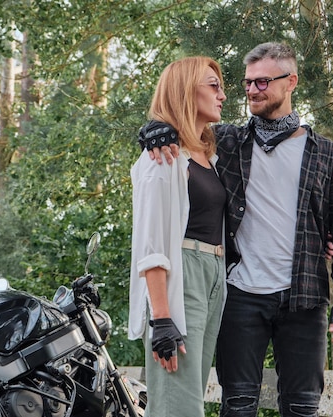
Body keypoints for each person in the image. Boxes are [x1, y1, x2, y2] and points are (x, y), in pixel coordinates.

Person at [139, 42, 333, 417]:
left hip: (304, 296)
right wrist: (154, 130)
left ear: (291, 82)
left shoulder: (325, 154)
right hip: (238, 294)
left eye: (262, 82)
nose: (251, 91)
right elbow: (182, 129)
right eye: (247, 84)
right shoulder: (227, 141)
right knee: (238, 404)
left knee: (303, 407)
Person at [128, 56, 228, 417]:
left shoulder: (205, 155)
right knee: (177, 406)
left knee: (189, 398)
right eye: (213, 86)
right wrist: (162, 319)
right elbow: (151, 245)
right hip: (180, 278)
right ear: (187, 91)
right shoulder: (161, 158)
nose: (223, 95)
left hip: (213, 276)